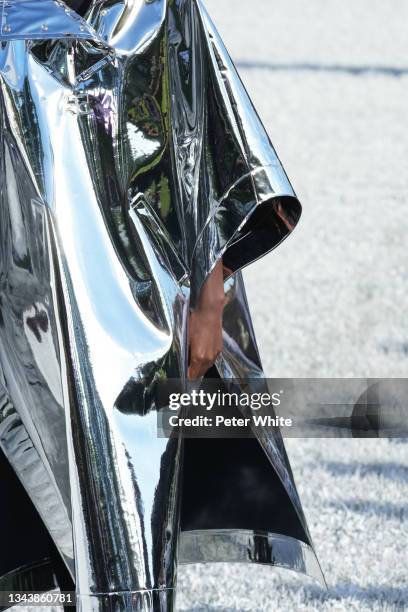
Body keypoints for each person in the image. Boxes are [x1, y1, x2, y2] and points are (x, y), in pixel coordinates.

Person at [0, 1, 325, 609]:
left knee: (131, 541)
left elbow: (211, 159)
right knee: (50, 524)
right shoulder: (10, 16)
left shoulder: (161, 10)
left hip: (141, 329)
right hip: (28, 327)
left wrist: (210, 306)